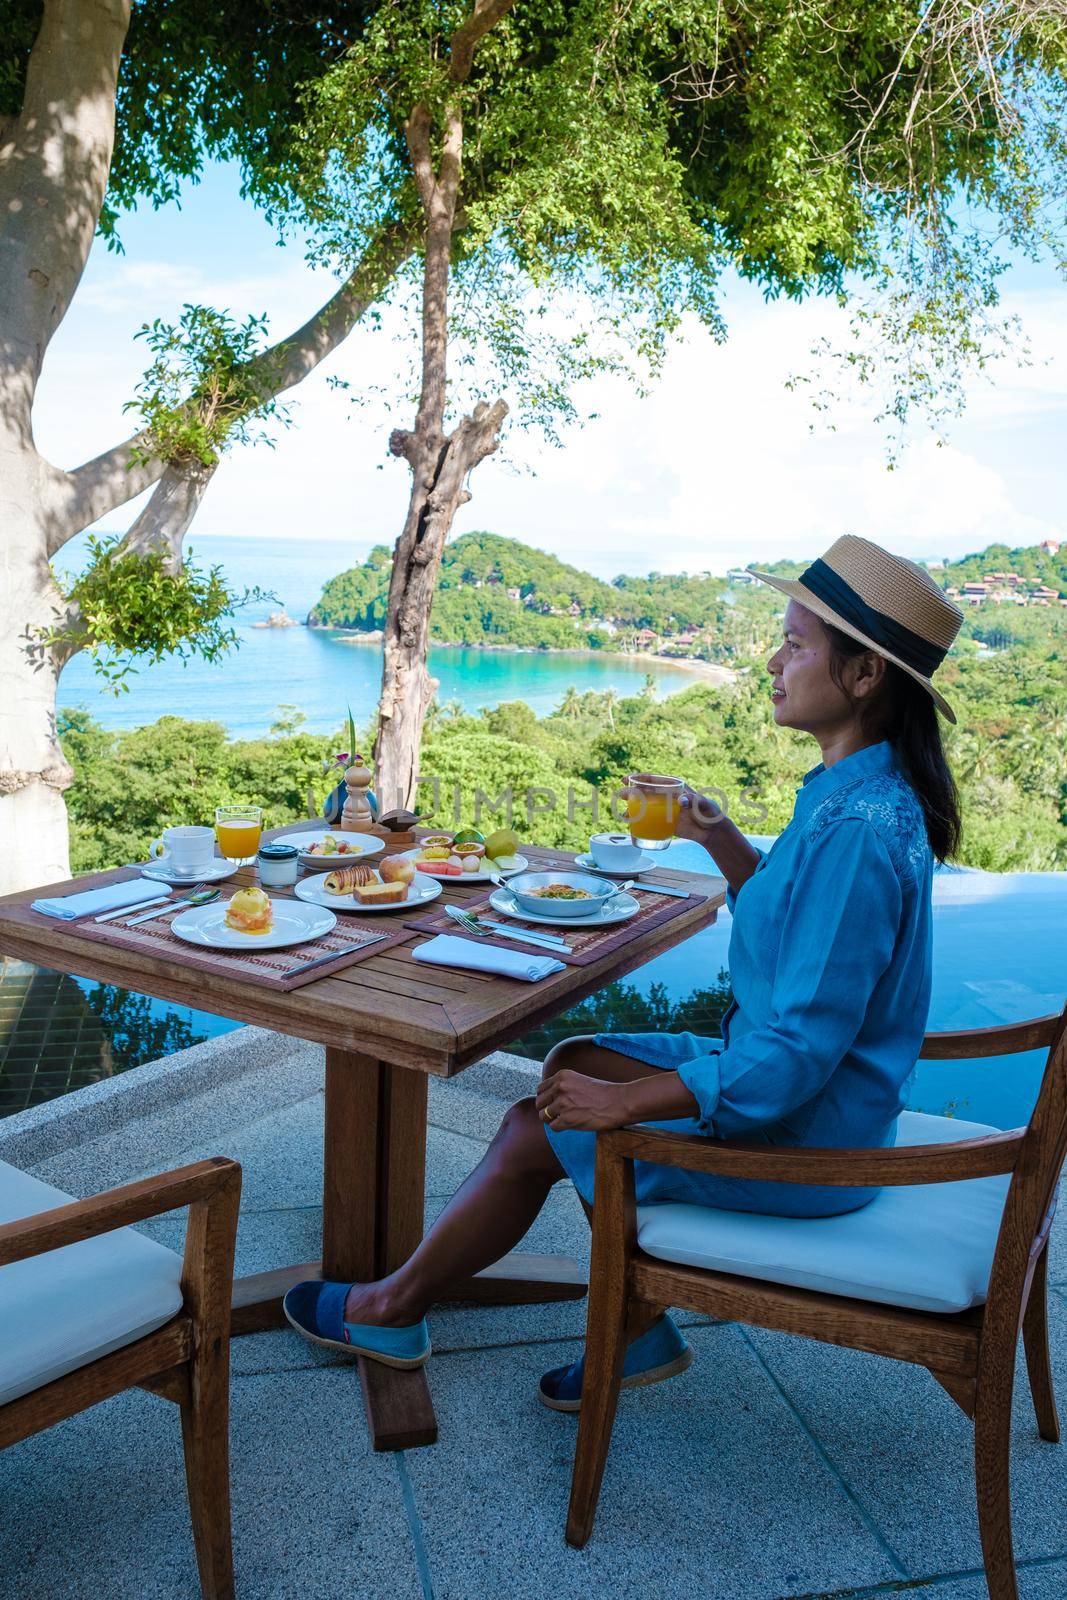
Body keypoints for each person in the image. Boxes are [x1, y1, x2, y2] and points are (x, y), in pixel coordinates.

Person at [284, 534, 965, 1407]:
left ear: (865, 676)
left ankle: (390, 1305)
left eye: (795, 645)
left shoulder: (859, 830)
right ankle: (631, 1325)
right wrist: (717, 835)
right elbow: (796, 936)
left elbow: (795, 1052)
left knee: (546, 1124)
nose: (772, 660)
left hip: (809, 1136)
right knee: (571, 1070)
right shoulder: (852, 793)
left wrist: (630, 1105)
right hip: (820, 1096)